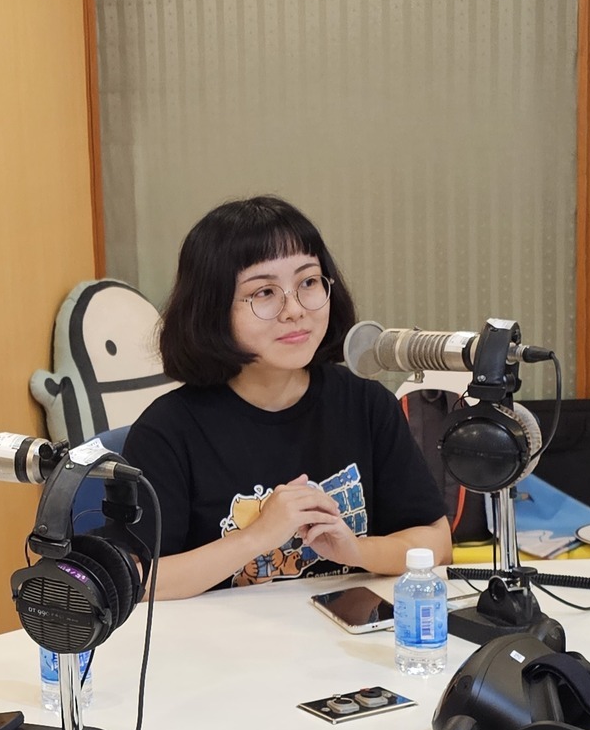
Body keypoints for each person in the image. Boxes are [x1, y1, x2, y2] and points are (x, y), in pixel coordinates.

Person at [125, 196, 451, 599]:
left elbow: (436, 542)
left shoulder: (367, 406)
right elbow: (136, 581)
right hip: (220, 651)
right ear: (212, 309)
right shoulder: (168, 431)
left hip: (344, 643)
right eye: (264, 292)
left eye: (308, 282)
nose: (294, 309)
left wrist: (356, 549)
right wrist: (256, 538)